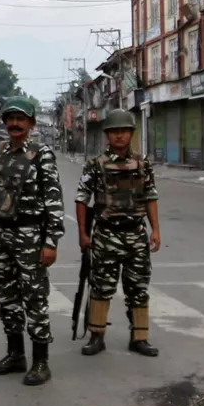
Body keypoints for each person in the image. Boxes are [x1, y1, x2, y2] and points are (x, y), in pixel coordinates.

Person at [0, 97, 64, 385]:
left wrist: (50, 242)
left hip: (30, 238)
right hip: (0, 236)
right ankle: (15, 355)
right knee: (6, 296)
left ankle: (41, 362)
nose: (14, 123)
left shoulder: (42, 154)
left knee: (34, 298)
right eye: (10, 118)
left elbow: (54, 200)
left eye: (20, 119)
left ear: (31, 123)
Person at [76, 109, 162, 357]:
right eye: (114, 132)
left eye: (124, 131)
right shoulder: (95, 164)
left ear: (131, 134)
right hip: (105, 235)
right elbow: (82, 199)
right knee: (101, 287)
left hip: (136, 235)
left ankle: (140, 337)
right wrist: (83, 234)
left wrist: (155, 230)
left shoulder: (143, 163)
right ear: (107, 135)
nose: (119, 136)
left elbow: (150, 197)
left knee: (138, 287)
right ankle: (96, 336)